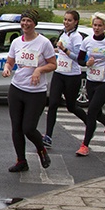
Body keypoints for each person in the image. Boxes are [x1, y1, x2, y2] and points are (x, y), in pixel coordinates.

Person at [1, 9, 57, 173]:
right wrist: (7, 69)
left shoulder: (43, 43)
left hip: (36, 92)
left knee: (29, 128)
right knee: (16, 128)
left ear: (34, 24)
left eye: (29, 21)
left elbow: (53, 64)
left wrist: (39, 70)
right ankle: (21, 161)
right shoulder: (16, 42)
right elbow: (10, 62)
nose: (25, 24)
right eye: (23, 20)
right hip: (17, 89)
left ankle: (41, 149)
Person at [75, 12, 105, 157]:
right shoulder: (87, 41)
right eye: (95, 25)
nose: (96, 28)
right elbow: (79, 60)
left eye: (100, 26)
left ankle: (85, 145)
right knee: (96, 111)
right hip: (91, 81)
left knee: (91, 111)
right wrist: (86, 63)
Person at [43, 10, 88, 147]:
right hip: (59, 73)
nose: (66, 22)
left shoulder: (76, 37)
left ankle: (89, 122)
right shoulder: (63, 33)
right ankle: (48, 136)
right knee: (53, 104)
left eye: (69, 20)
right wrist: (54, 50)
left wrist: (65, 50)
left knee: (71, 106)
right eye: (65, 19)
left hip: (72, 76)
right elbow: (60, 51)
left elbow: (79, 57)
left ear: (75, 22)